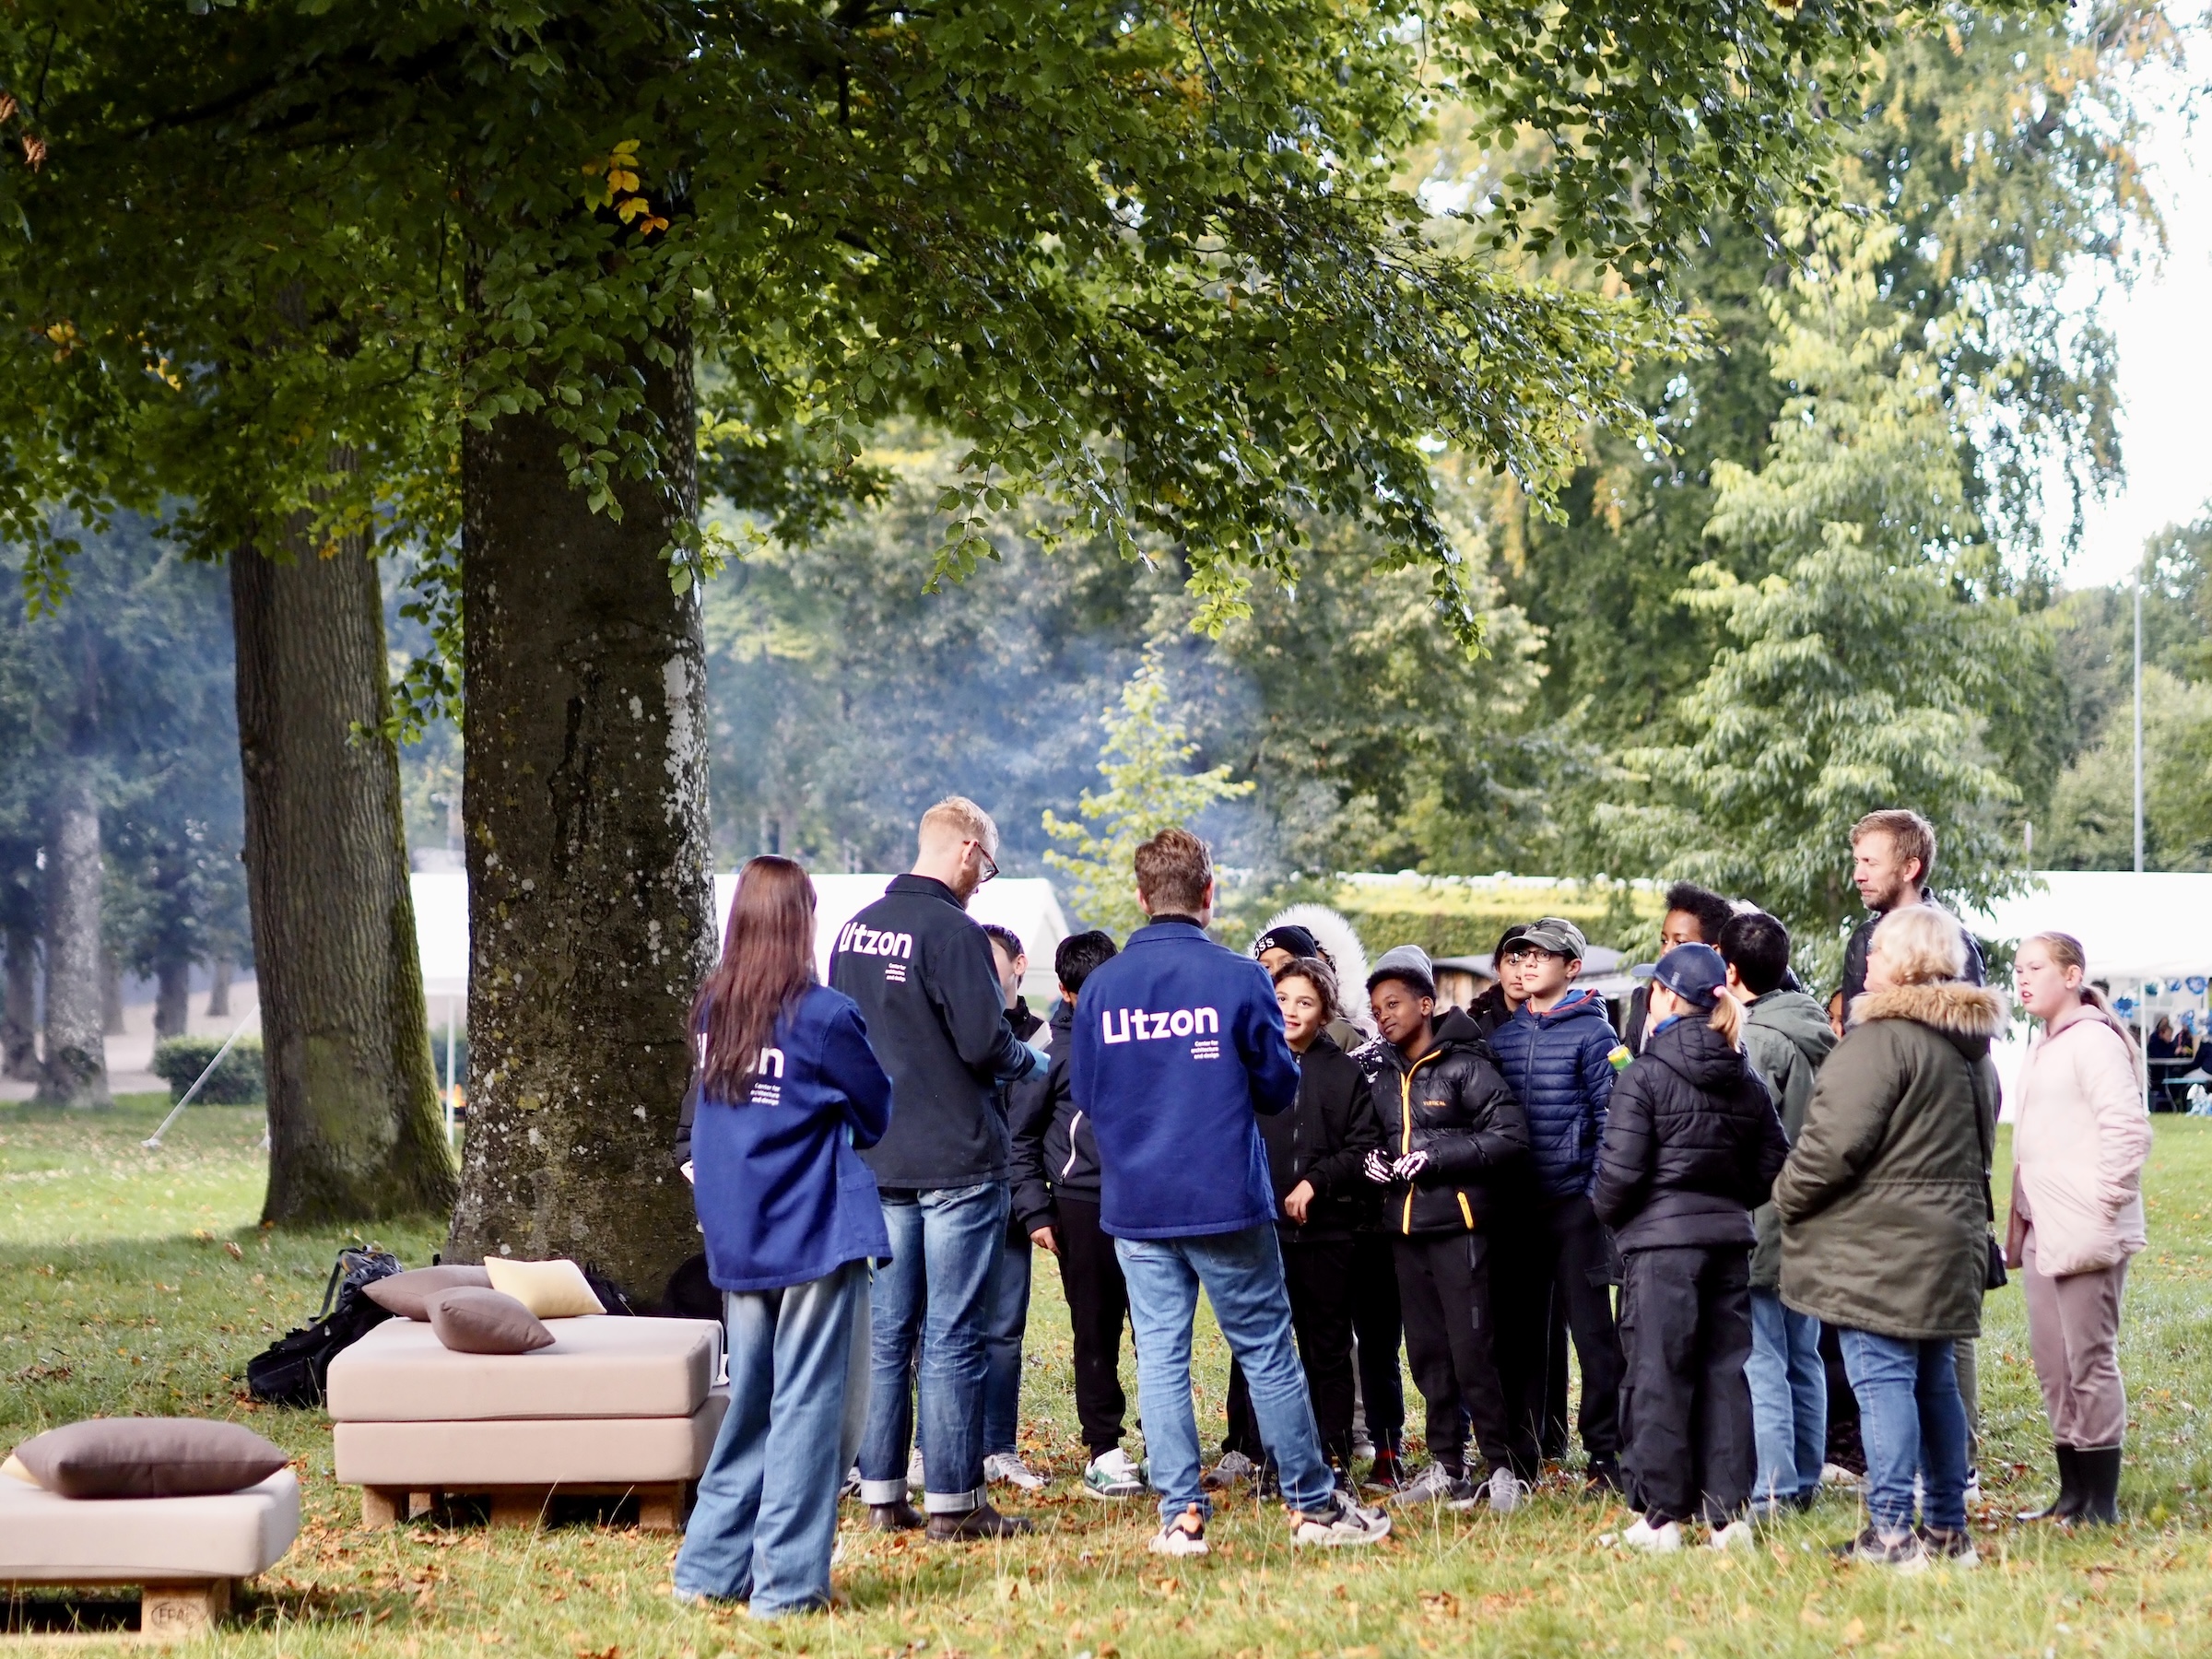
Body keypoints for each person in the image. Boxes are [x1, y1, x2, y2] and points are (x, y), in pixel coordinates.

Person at [1068, 827, 1391, 1555]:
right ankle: (1311, 1509)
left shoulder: (1105, 987)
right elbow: (1280, 1085)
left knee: (1160, 1355)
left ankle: (1180, 1518)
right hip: (1224, 1196)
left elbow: (1088, 1091)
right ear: (1209, 895)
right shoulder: (1239, 979)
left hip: (1138, 1202)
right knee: (1268, 1352)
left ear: (1142, 896)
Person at [673, 857, 893, 1616]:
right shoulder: (826, 1017)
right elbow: (875, 1113)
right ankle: (789, 1588)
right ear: (803, 921)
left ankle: (705, 1573)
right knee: (810, 1410)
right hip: (810, 1231)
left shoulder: (712, 1011)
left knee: (753, 1405)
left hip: (739, 1236)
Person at [833, 796, 1048, 1541]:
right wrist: (1036, 1062)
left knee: (891, 1334)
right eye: (987, 866)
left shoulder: (854, 929)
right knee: (954, 1334)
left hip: (881, 1153)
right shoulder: (953, 931)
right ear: (965, 851)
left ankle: (883, 1494)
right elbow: (988, 1045)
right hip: (956, 1160)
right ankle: (957, 1505)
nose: (984, 882)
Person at [1771, 906, 2004, 1569]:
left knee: (1882, 1381)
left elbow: (1832, 1144)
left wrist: (1784, 1197)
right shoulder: (1971, 1051)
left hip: (1883, 1243)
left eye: (1876, 954)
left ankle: (1893, 1531)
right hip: (1949, 1237)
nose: (1865, 964)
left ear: (1903, 963)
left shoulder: (1878, 1041)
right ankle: (1948, 1531)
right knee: (1935, 1383)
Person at [1594, 943, 1788, 1553]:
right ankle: (1728, 1520)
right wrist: (1727, 1199)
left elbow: (1615, 1180)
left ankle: (1661, 1518)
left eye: (1656, 988)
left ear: (1670, 998)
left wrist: (1617, 1212)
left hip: (1660, 1251)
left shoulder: (1645, 1076)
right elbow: (1772, 1163)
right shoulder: (1745, 1077)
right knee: (1725, 1376)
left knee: (1657, 1375)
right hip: (1727, 1243)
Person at [1362, 944, 1532, 1512]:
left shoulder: (1466, 1064)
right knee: (1428, 1353)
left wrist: (1438, 1158)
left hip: (1461, 1230)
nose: (1383, 1015)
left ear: (1427, 1004)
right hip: (1406, 1232)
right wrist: (1375, 1163)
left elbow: (1510, 1136)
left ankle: (1505, 1466)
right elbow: (1374, 1137)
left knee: (1474, 1348)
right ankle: (1446, 1464)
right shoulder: (1380, 1073)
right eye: (1376, 1007)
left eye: (1393, 1004)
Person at [1218, 958, 1386, 1488]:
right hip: (1260, 1229)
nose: (1292, 1011)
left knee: (1327, 1346)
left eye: (1305, 1002)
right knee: (1259, 1346)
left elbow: (1363, 1147)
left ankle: (1330, 1449)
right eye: (1283, 998)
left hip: (1327, 1234)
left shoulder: (1343, 1073)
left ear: (1325, 1012)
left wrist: (1316, 1181)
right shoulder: (1250, 1065)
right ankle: (1254, 1449)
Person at [2009, 932, 2153, 1526]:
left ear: (2071, 976)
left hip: (2087, 1225)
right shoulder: (2043, 1045)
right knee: (2054, 1364)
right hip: (2046, 1224)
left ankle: (2101, 1502)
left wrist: (2105, 1204)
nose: (2022, 979)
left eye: (2035, 967)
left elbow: (2128, 1127)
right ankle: (2071, 1496)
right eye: (2018, 969)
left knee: (2088, 1361)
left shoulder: (2093, 1041)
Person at [1488, 917, 1628, 1491]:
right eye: (1521, 956)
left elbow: (1613, 1119)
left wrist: (1595, 1197)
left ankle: (1607, 1456)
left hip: (1575, 1208)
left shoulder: (1597, 1036)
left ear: (1572, 967)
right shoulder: (1503, 1038)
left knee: (1593, 1337)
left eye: (1541, 957)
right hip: (1518, 1211)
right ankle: (1521, 1456)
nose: (1526, 965)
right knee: (1519, 1336)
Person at [1008, 930, 1147, 1501]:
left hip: (1144, 1200)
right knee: (1094, 1329)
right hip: (1079, 1205)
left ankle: (1164, 1439)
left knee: (1157, 1327)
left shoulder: (1139, 1040)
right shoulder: (1049, 1058)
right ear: (1065, 992)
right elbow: (1020, 1140)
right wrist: (1035, 1210)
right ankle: (1104, 1449)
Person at [1716, 911, 1837, 1517]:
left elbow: (1746, 1136)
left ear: (1731, 970)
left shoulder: (1757, 1040)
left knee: (1762, 1357)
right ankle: (1805, 1477)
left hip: (1766, 1215)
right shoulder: (1817, 1025)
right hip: (1816, 1218)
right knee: (1803, 1354)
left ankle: (1775, 1488)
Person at [977, 923, 1046, 1492]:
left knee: (1004, 1329)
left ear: (1018, 965)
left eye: (992, 959)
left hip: (1010, 1198)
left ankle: (999, 1445)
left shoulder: (1042, 1038)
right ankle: (932, 1446)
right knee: (935, 1329)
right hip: (952, 1186)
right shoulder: (951, 1026)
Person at [1837, 809, 1986, 1017]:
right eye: (1857, 862)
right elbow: (1852, 1031)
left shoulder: (1953, 941)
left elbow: (1971, 1035)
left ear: (1909, 869)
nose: (1858, 875)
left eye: (1871, 863)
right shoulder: (1863, 939)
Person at [1625, 883, 1735, 1053]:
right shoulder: (1643, 1001)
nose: (1667, 950)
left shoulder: (1725, 1010)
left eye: (1680, 942)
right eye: (1664, 940)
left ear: (1714, 951)